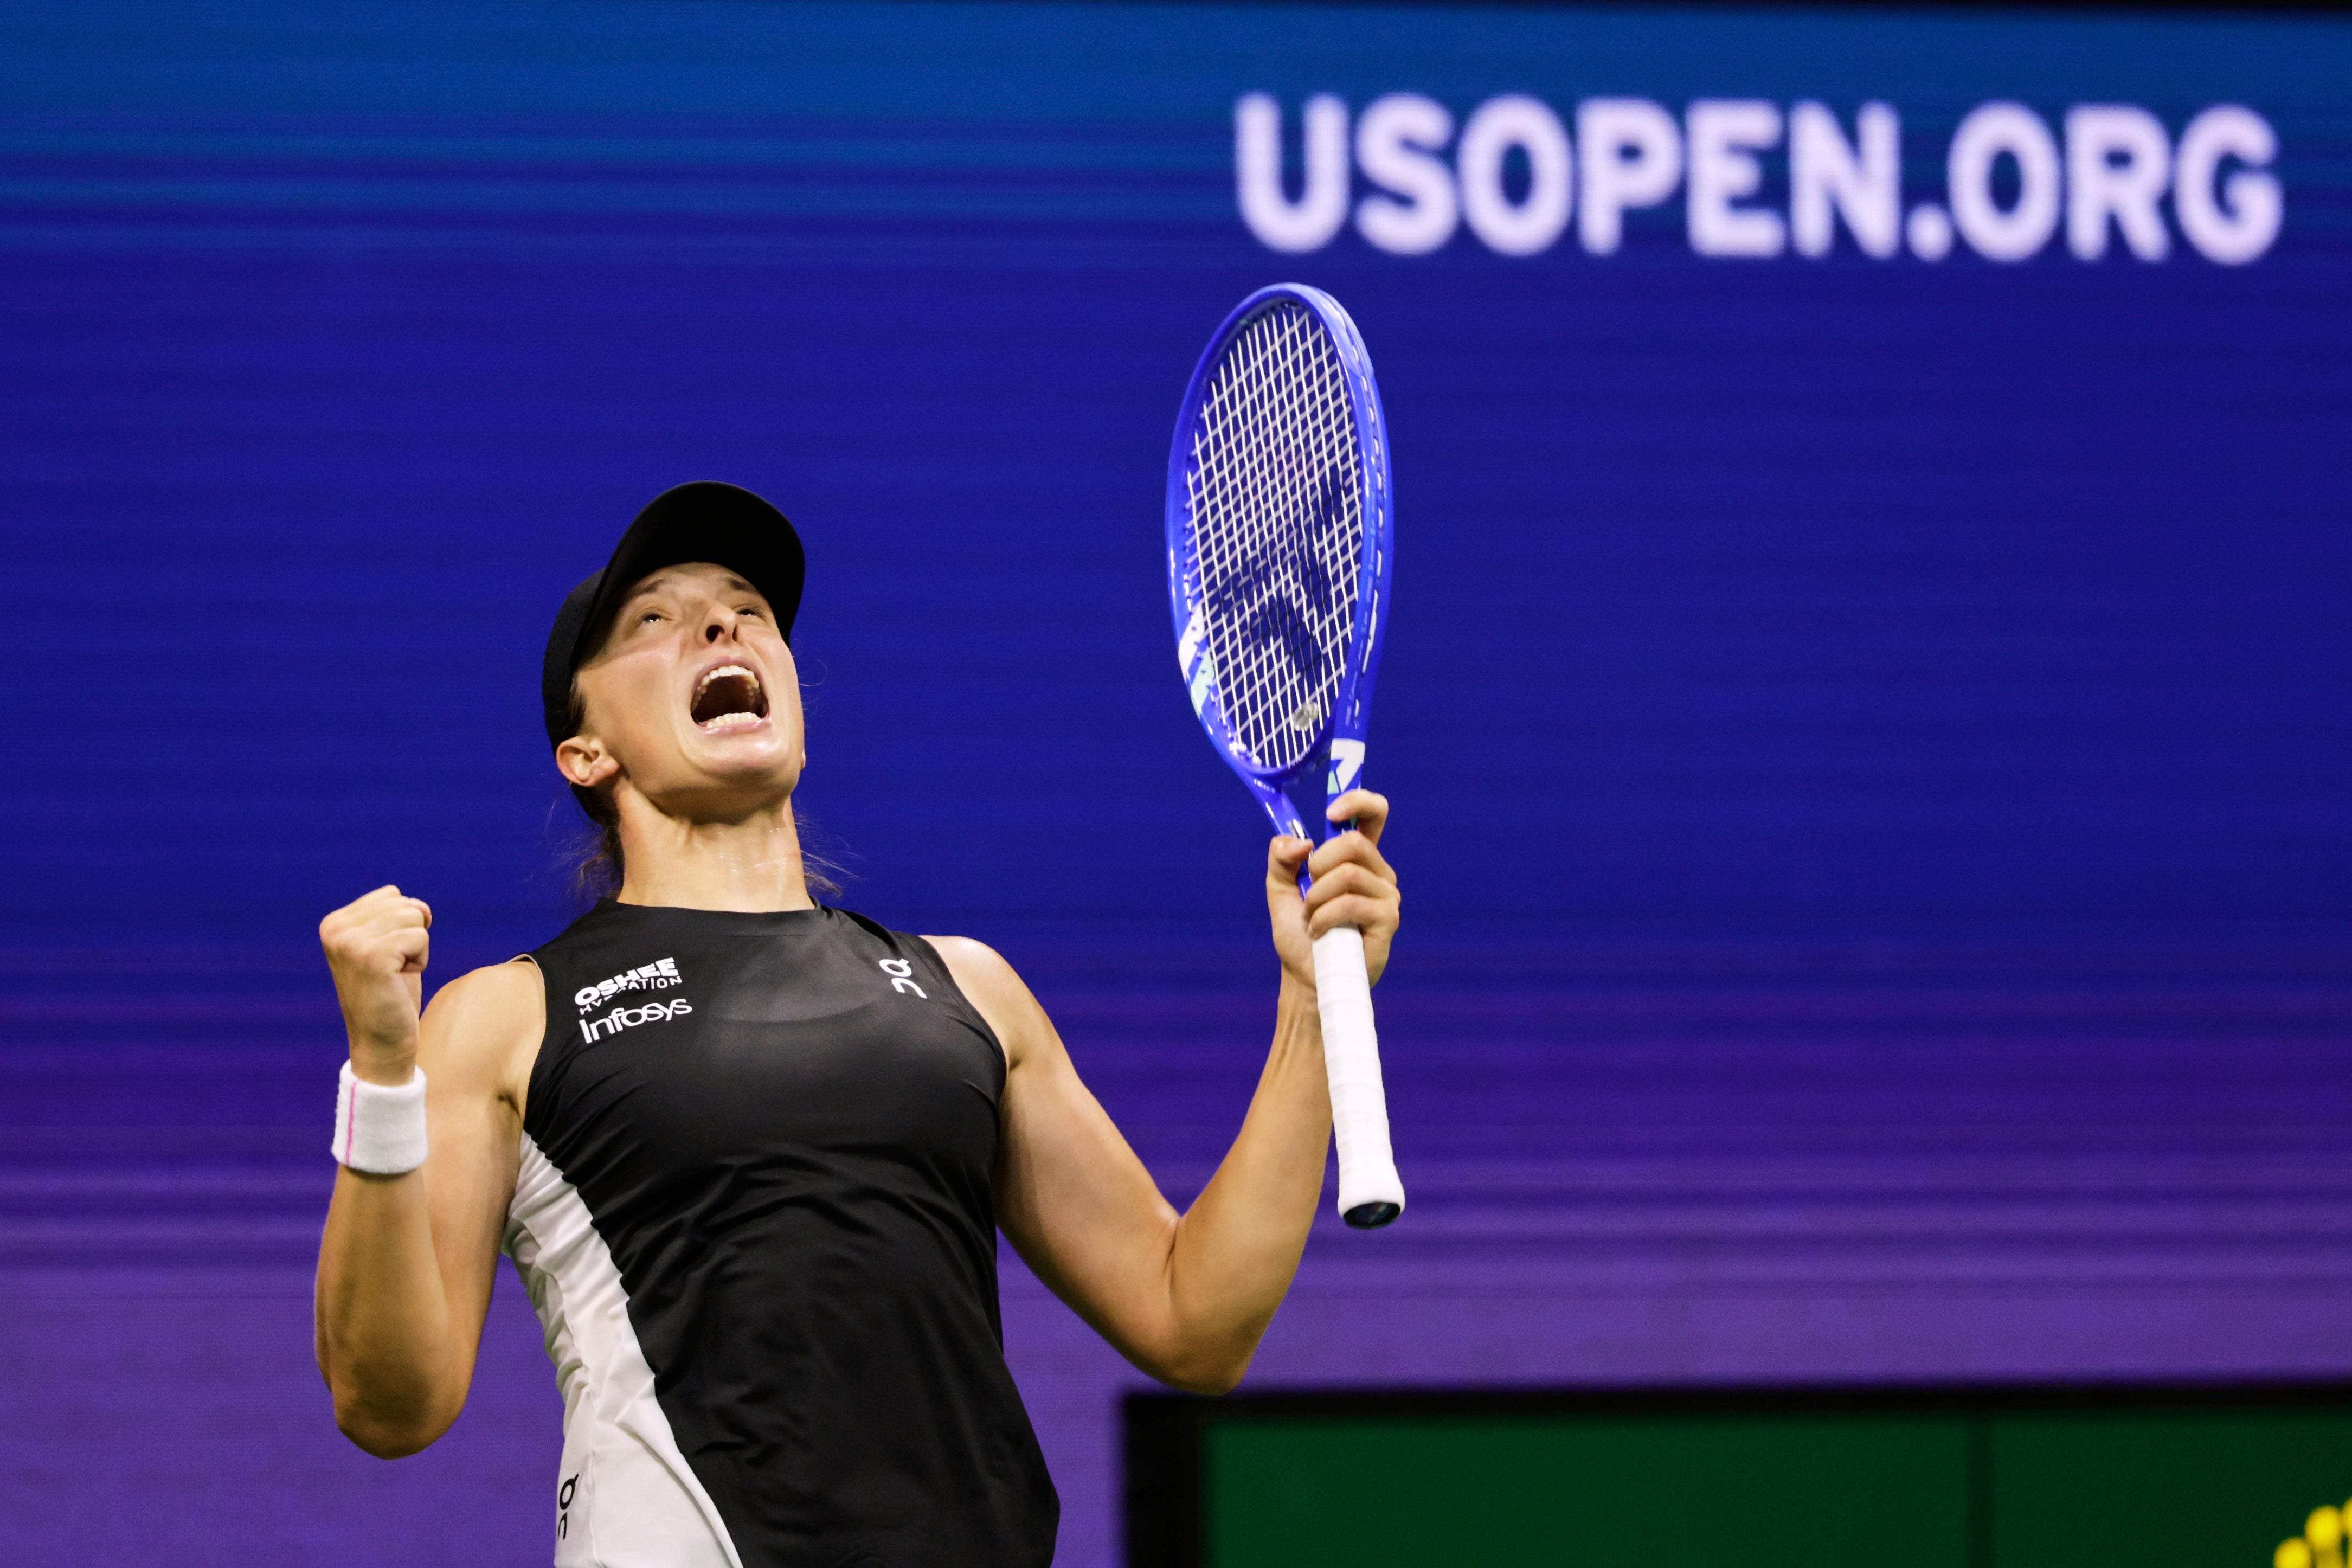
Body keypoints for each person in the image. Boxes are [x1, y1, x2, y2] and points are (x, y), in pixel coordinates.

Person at [312, 481, 1402, 1567]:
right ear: (586, 752)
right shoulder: (508, 1018)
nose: (722, 624)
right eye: (654, 618)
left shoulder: (969, 989)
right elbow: (388, 1404)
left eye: (747, 609)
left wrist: (1311, 1002)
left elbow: (1193, 1321)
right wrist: (382, 1073)